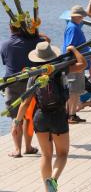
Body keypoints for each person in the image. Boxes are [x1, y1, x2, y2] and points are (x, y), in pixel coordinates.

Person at [12, 42, 86, 192]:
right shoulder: (60, 69)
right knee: (62, 154)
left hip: (40, 116)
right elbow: (82, 64)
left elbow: (25, 102)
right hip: (58, 115)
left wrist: (17, 122)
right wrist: (73, 49)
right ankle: (53, 180)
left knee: (46, 155)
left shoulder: (34, 74)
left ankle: (47, 188)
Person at [0, 24, 49, 158]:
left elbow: (6, 62)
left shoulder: (5, 44)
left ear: (10, 28)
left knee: (16, 117)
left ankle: (17, 149)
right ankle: (28, 147)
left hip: (13, 81)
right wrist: (37, 35)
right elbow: (47, 46)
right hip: (32, 81)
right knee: (29, 115)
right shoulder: (37, 41)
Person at [63, 3, 89, 123]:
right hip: (74, 62)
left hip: (78, 62)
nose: (82, 18)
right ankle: (70, 114)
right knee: (73, 90)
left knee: (76, 90)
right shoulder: (73, 27)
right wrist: (76, 62)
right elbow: (70, 46)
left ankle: (73, 113)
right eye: (81, 16)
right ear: (76, 16)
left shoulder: (75, 25)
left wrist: (90, 1)